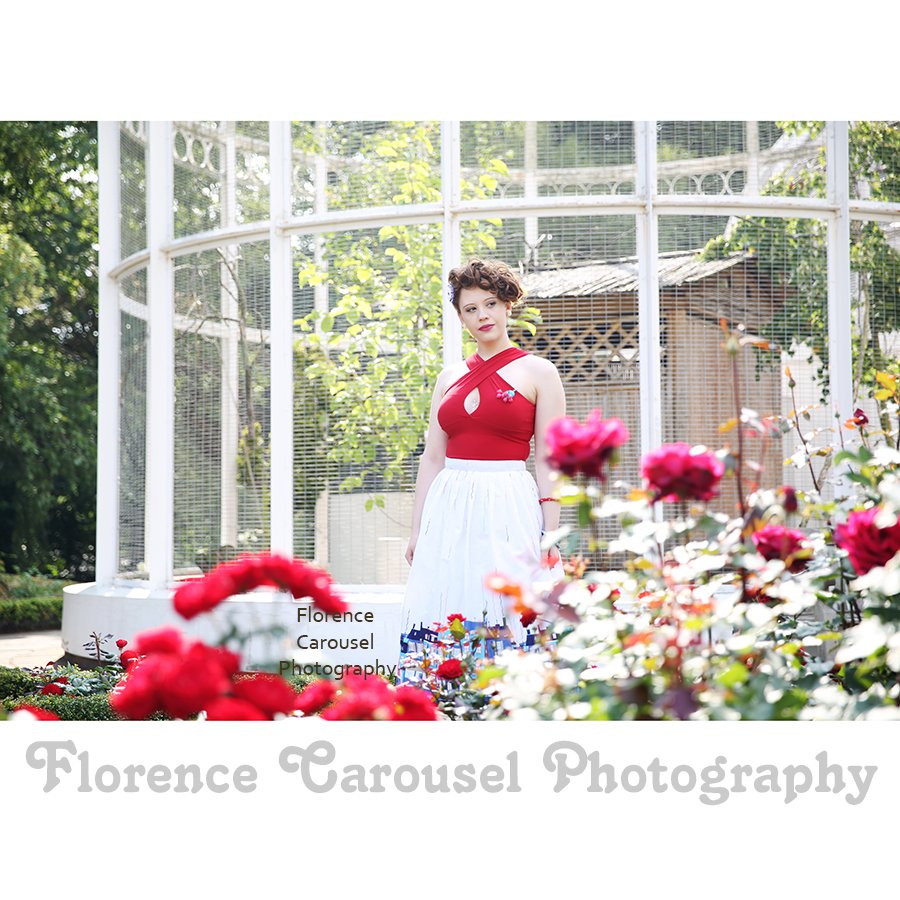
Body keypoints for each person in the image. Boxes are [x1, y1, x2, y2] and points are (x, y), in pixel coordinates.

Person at [399, 258, 566, 668]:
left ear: (508, 305)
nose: (482, 316)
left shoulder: (539, 372)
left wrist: (551, 534)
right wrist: (417, 531)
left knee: (509, 603)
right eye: (470, 309)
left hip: (509, 501)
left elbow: (549, 460)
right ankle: (445, 700)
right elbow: (433, 458)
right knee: (449, 601)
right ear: (460, 317)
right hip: (450, 506)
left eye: (490, 303)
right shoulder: (448, 377)